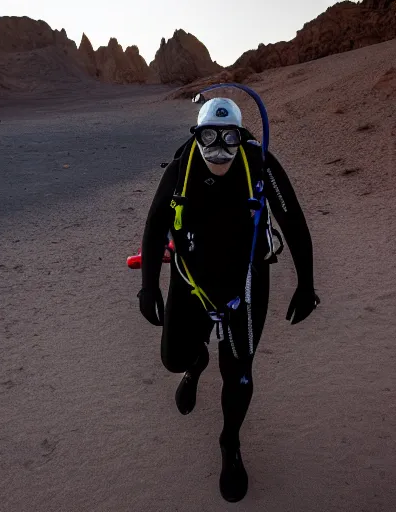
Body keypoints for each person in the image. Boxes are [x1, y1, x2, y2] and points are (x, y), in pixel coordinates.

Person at [137, 96, 320, 502]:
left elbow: (292, 220)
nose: (219, 147)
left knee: (238, 372)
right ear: (197, 136)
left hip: (246, 285)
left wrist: (306, 284)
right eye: (209, 136)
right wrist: (149, 286)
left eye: (229, 137)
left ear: (240, 136)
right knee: (172, 359)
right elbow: (155, 226)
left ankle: (230, 443)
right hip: (190, 282)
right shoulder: (183, 164)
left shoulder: (258, 163)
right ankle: (195, 363)